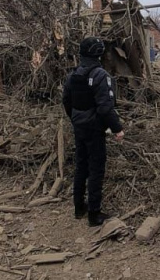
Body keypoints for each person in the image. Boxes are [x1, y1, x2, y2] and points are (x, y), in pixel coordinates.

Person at [62, 37, 124, 227]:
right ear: (98, 53)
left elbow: (66, 100)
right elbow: (105, 107)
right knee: (96, 169)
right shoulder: (99, 75)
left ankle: (79, 207)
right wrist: (117, 129)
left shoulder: (73, 75)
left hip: (79, 126)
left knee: (81, 167)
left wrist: (75, 119)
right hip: (95, 128)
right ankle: (94, 214)